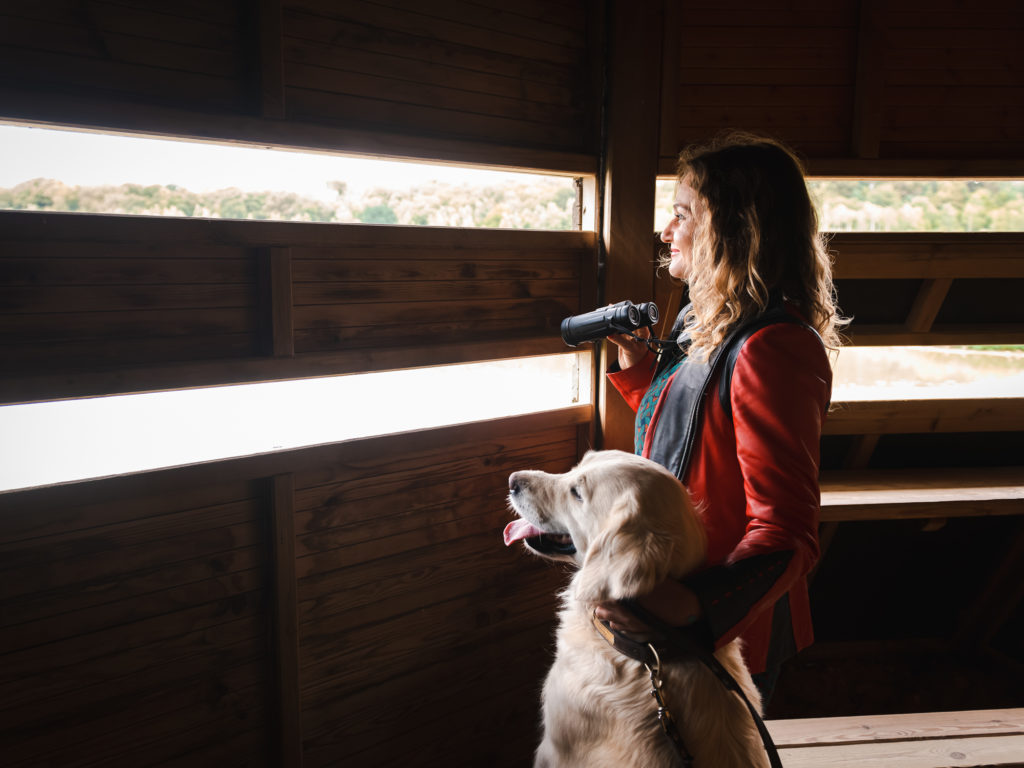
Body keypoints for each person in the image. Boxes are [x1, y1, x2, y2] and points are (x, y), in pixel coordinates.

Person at [594, 131, 845, 702]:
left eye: (682, 214)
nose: (666, 231)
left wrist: (692, 608)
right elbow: (704, 437)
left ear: (736, 228)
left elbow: (785, 531)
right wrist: (641, 373)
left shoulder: (772, 346)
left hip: (729, 628)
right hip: (676, 608)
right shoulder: (711, 325)